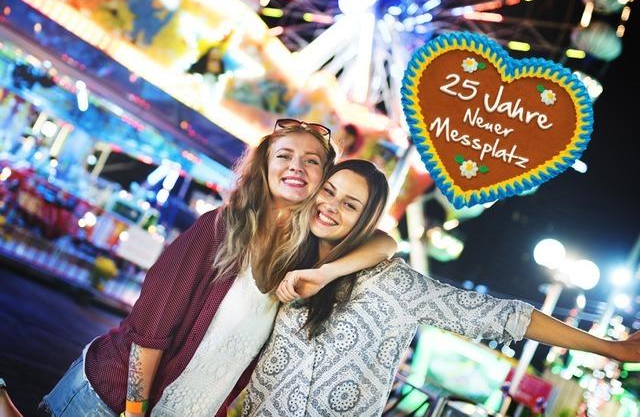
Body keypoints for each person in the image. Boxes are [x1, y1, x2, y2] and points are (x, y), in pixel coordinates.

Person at [40, 119, 397, 417]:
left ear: (323, 182)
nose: (296, 166)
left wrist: (326, 273)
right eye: (284, 155)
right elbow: (149, 331)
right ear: (265, 165)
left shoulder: (303, 261)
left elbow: (384, 244)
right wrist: (135, 412)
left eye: (312, 161)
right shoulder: (220, 227)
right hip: (109, 402)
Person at [242, 159, 640, 416]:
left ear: (366, 221)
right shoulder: (285, 259)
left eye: (350, 205)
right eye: (328, 192)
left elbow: (507, 317)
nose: (330, 206)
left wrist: (609, 348)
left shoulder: (391, 284)